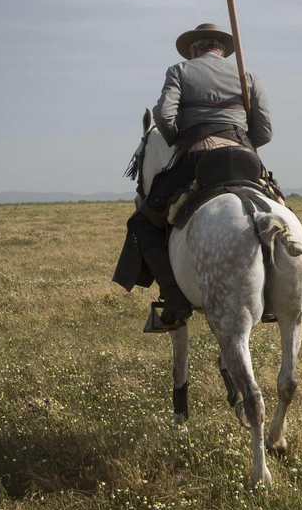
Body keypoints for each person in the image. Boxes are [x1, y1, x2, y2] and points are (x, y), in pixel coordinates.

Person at [113, 22, 273, 332]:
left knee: (142, 223)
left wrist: (179, 140)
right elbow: (265, 131)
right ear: (221, 49)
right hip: (245, 159)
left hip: (198, 158)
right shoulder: (247, 76)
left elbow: (163, 116)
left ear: (194, 49)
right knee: (278, 204)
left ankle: (175, 299)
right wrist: (242, 143)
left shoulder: (180, 71)